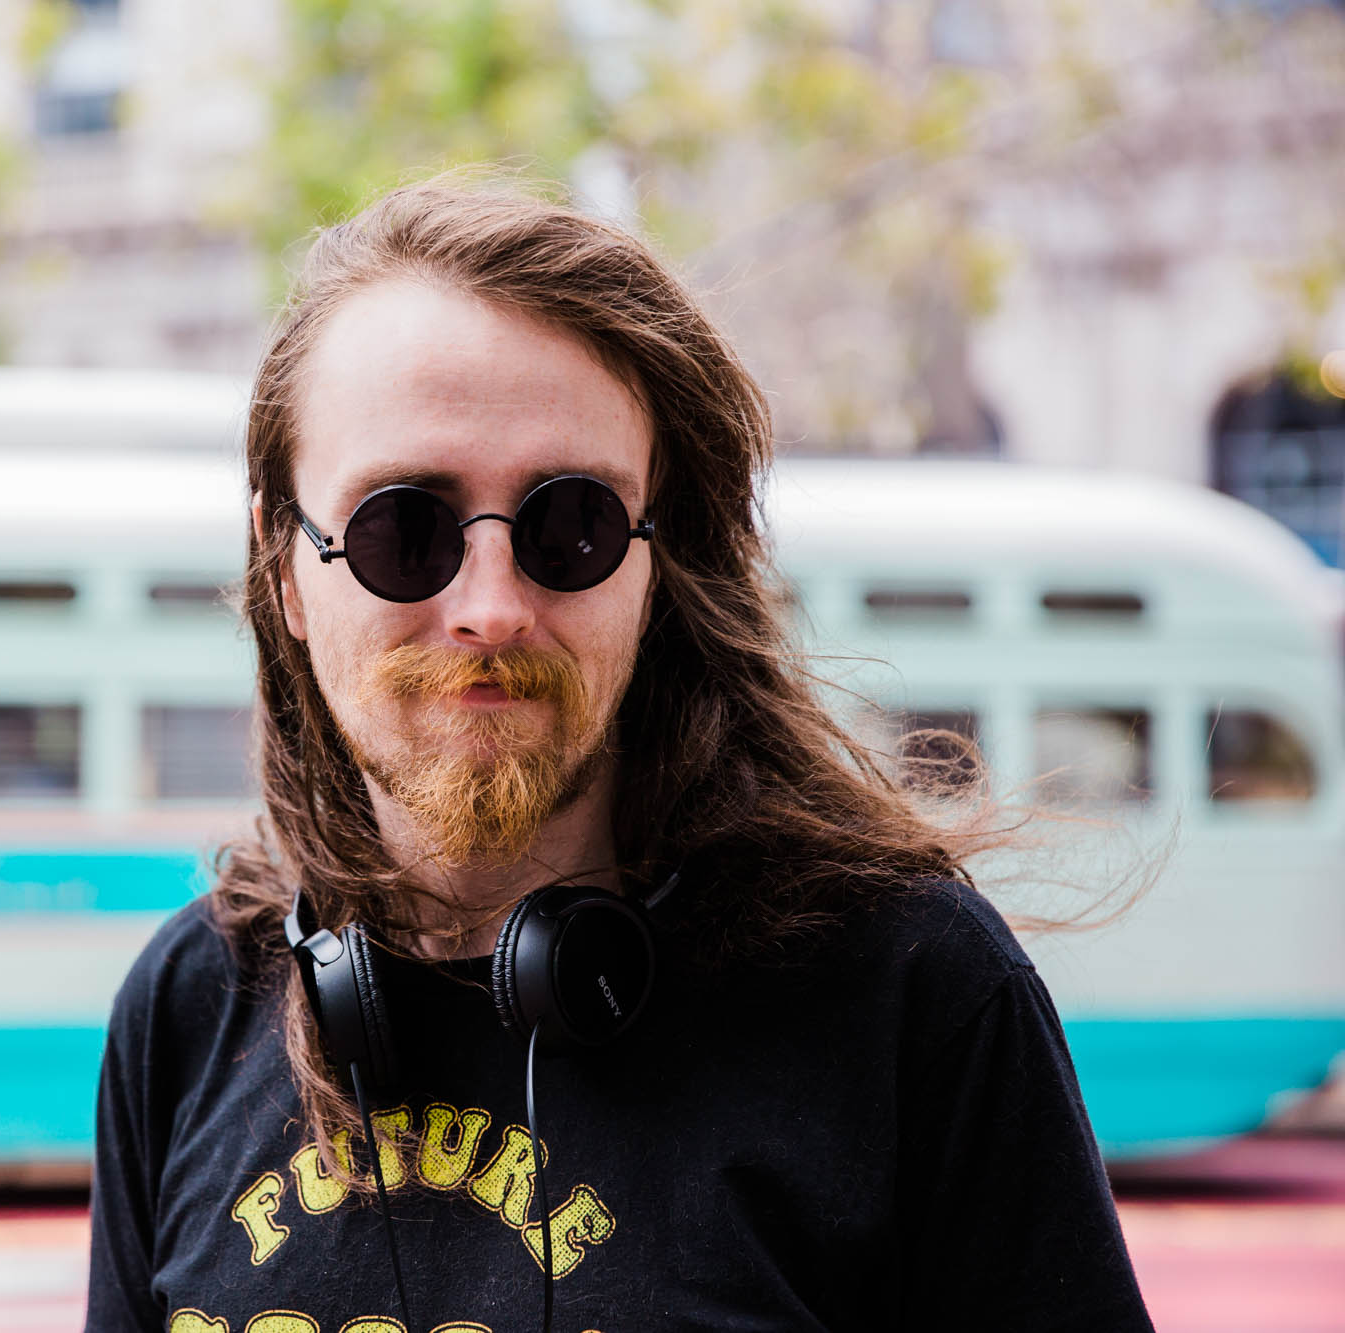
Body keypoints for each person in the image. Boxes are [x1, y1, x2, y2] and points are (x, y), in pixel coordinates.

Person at [83, 178, 1152, 1333]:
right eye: (404, 528)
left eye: (569, 526)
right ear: (286, 565)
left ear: (656, 561)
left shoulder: (909, 988)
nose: (488, 605)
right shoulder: (189, 1005)